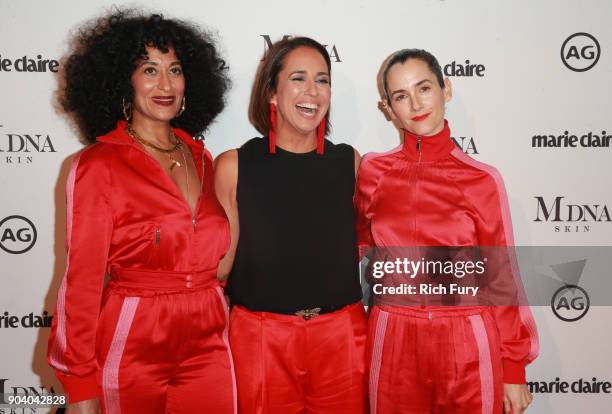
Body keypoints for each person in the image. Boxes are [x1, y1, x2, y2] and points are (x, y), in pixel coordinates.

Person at [47, 11, 236, 414]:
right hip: (134, 341)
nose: (165, 84)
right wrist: (79, 385)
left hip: (210, 341)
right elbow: (80, 285)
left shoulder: (205, 160)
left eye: (175, 70)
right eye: (149, 70)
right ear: (123, 81)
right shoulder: (100, 165)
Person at [355, 49, 539, 414]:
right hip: (393, 335)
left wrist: (514, 368)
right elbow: (357, 244)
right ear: (389, 109)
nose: (416, 104)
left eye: (424, 88)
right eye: (401, 96)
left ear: (447, 89)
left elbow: (500, 276)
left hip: (467, 338)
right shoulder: (373, 171)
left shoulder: (482, 179)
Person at [214, 36, 366, 413]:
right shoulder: (234, 166)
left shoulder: (350, 163)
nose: (312, 91)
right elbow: (218, 267)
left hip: (342, 338)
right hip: (261, 341)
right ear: (272, 93)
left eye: (322, 80)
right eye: (298, 78)